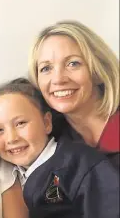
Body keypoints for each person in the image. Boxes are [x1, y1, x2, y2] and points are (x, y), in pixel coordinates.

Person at [0, 78, 119, 218]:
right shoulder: (3, 173)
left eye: (20, 123)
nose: (12, 138)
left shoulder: (81, 164)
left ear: (46, 123)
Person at [27, 20, 119, 167]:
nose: (58, 79)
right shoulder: (51, 140)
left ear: (98, 71)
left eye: (73, 63)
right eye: (46, 68)